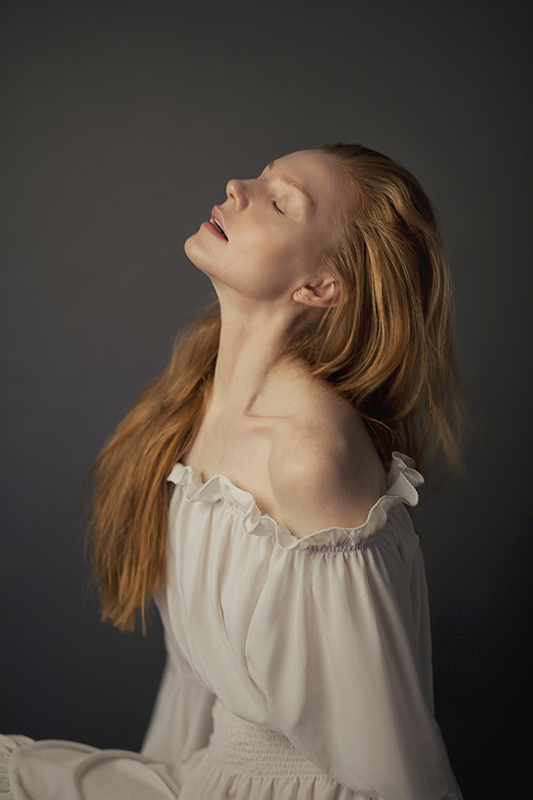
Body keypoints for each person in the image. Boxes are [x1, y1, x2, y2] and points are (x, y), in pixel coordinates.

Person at [1, 144, 464, 799]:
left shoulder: (309, 456)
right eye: (261, 176)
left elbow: (391, 752)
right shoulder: (193, 410)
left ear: (319, 287)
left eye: (279, 201)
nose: (236, 187)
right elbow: (197, 685)